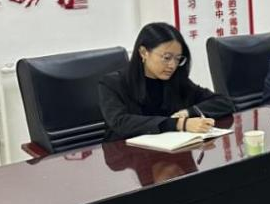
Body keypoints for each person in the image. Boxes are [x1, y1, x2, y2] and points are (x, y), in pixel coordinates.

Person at [99, 22, 234, 140]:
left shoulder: (176, 80)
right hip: (128, 154)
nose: (172, 65)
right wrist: (179, 124)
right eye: (167, 57)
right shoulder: (113, 84)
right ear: (143, 52)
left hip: (171, 152)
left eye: (178, 59)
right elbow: (121, 122)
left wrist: (189, 112)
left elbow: (224, 102)